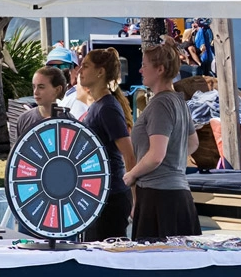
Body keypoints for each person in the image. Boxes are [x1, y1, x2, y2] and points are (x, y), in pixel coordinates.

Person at [128, 45, 201, 240]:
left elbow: (156, 156)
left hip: (158, 198)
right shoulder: (179, 101)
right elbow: (193, 143)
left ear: (160, 69)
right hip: (178, 196)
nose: (140, 70)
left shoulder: (160, 104)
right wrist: (173, 159)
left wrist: (130, 175)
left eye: (144, 65)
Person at [76, 48, 135, 241]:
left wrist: (135, 199)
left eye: (85, 66)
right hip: (97, 195)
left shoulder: (107, 107)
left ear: (100, 72)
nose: (79, 71)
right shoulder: (98, 106)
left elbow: (128, 154)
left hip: (112, 196)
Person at [12, 67, 71, 146]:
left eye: (41, 87)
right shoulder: (24, 119)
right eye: (34, 87)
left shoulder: (69, 121)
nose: (35, 92)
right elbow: (17, 154)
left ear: (57, 90)